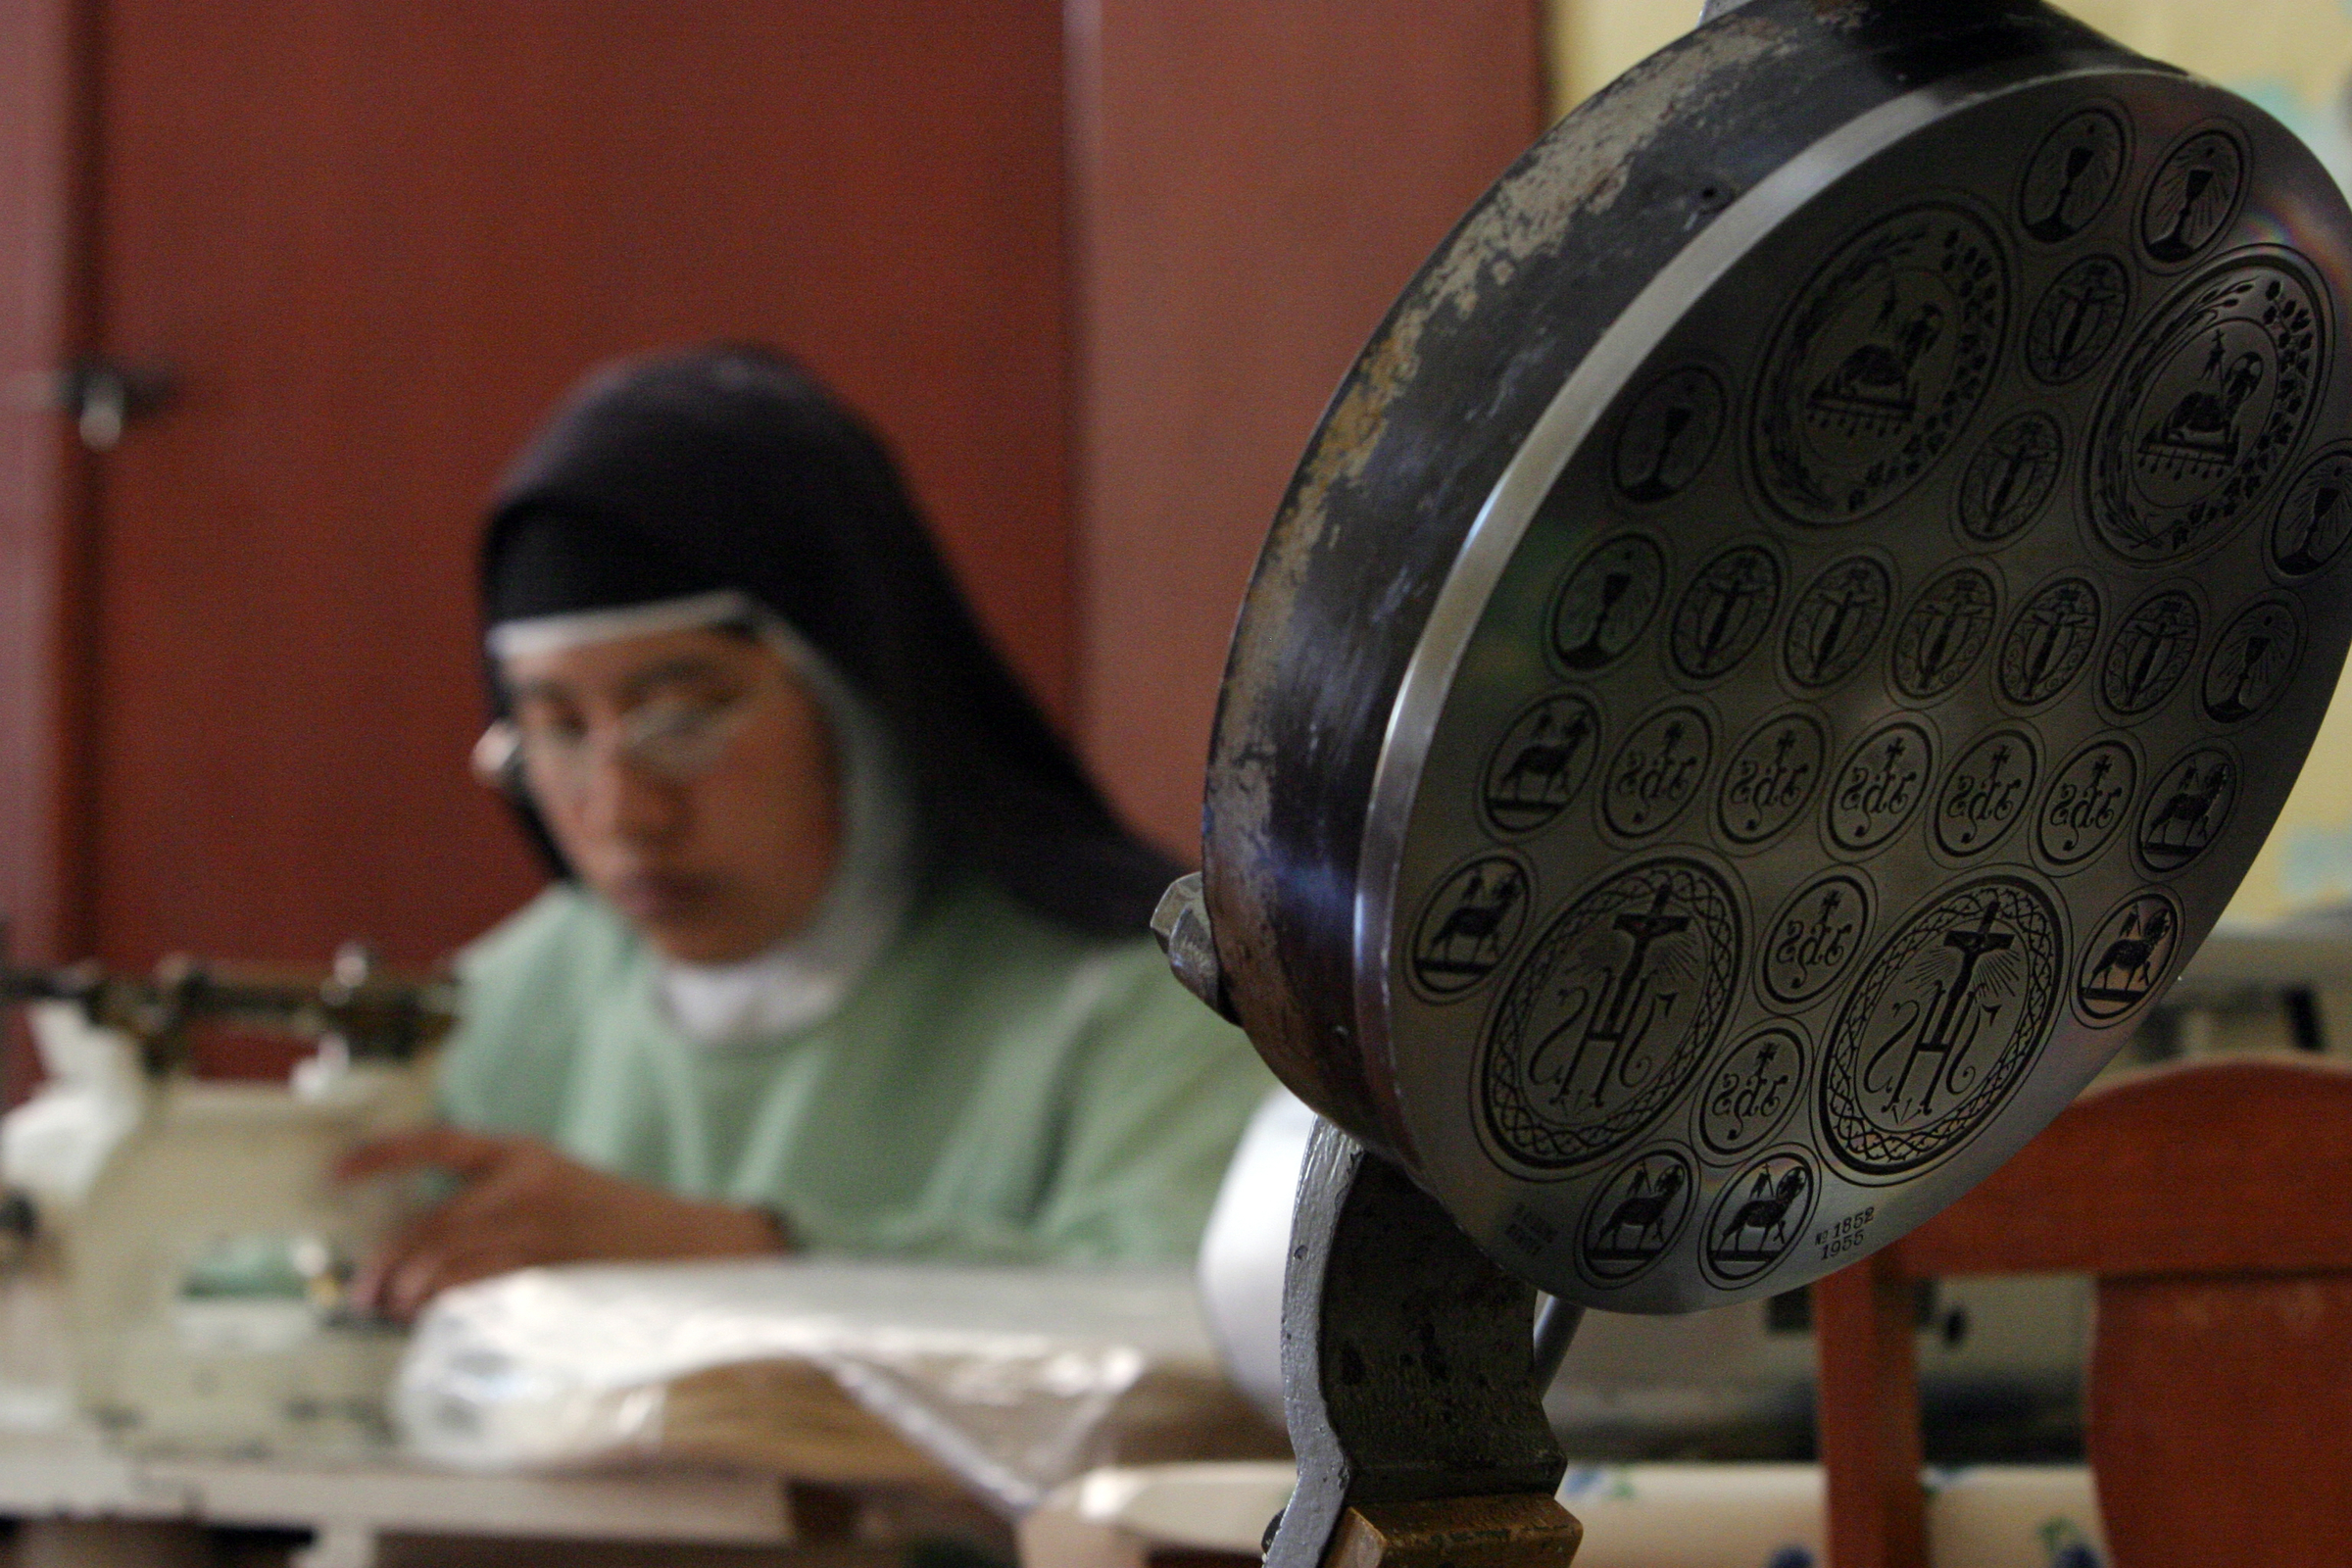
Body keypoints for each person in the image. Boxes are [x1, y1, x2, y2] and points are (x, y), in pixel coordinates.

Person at [342, 346, 1271, 1319]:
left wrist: (738, 1254)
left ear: (859, 701)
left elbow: (1205, 1329)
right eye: (558, 731)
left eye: (683, 719)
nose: (621, 812)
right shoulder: (493, 1014)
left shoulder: (1143, 1000)